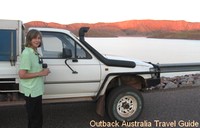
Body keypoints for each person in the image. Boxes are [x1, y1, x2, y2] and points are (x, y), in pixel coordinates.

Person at [18, 29, 50, 128]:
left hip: (36, 90)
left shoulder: (35, 52)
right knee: (36, 120)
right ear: (29, 39)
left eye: (39, 38)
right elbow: (22, 74)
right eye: (34, 38)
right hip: (31, 91)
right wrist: (41, 73)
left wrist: (43, 70)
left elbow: (33, 69)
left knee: (35, 119)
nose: (37, 40)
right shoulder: (27, 53)